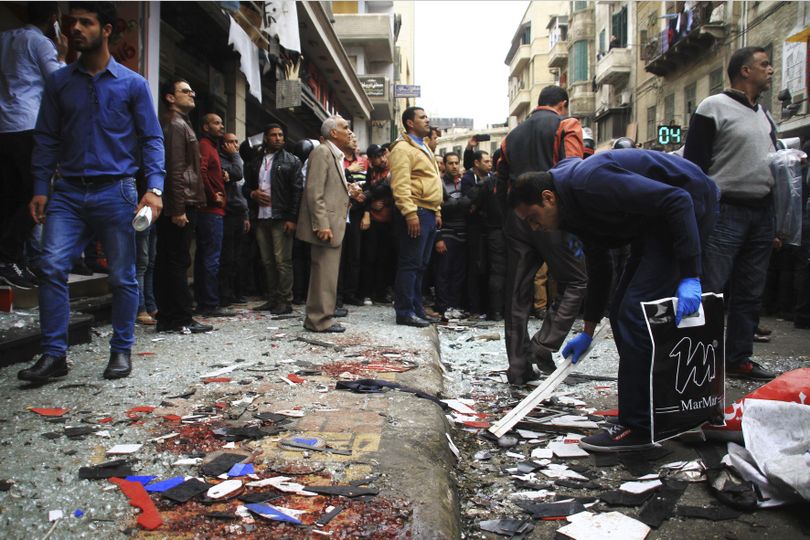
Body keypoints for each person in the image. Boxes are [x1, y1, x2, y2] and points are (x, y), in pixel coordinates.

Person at [509, 149, 718, 451]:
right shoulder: (571, 207)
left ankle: (641, 426)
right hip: (654, 221)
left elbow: (677, 200)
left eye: (533, 218)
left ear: (548, 198)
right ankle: (649, 416)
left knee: (634, 314)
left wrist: (690, 274)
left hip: (689, 204)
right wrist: (588, 331)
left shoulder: (589, 183)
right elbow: (600, 265)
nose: (534, 228)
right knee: (622, 312)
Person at [19, 1, 164, 383]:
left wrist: (154, 188)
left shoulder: (132, 84)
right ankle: (53, 355)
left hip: (116, 191)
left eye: (86, 22)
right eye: (72, 23)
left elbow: (151, 138)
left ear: (108, 29)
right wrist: (40, 187)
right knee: (50, 267)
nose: (76, 29)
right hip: (67, 192)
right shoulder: (59, 82)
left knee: (122, 276)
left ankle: (121, 350)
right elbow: (47, 138)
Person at [684, 46, 777, 380]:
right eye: (764, 64)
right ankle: (698, 360)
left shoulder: (764, 115)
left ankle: (738, 357)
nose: (770, 69)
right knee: (712, 288)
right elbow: (694, 165)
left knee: (751, 291)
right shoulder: (713, 107)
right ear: (744, 71)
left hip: (761, 212)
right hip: (725, 210)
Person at [498, 85, 588, 385]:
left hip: (517, 217)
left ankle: (517, 367)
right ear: (562, 104)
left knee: (517, 293)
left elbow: (500, 177)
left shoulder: (512, 136)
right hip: (551, 212)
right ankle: (544, 344)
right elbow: (573, 170)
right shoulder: (566, 125)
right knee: (575, 279)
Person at [0, 2, 66, 289]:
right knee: (39, 195)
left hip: (4, 125)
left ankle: (14, 260)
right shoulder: (40, 43)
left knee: (10, 195)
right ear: (53, 19)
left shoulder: (4, 38)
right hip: (28, 125)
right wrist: (62, 55)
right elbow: (58, 83)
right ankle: (7, 256)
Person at [153, 78, 210, 335]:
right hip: (181, 201)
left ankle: (169, 316)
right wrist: (177, 209)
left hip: (181, 200)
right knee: (176, 260)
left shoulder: (178, 123)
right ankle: (180, 317)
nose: (192, 94)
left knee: (169, 259)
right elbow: (174, 169)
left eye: (192, 90)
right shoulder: (175, 124)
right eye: (185, 91)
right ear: (170, 97)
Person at [296, 116, 353, 333]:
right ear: (333, 133)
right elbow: (314, 191)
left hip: (333, 224)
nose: (349, 131)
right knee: (323, 274)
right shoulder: (322, 152)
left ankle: (321, 317)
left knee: (327, 274)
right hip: (326, 226)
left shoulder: (333, 154)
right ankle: (319, 320)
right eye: (345, 127)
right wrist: (322, 224)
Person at [389, 106, 443, 328]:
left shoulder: (424, 147)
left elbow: (432, 180)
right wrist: (410, 213)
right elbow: (400, 184)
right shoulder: (402, 148)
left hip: (429, 211)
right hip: (416, 211)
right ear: (410, 123)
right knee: (410, 264)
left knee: (421, 265)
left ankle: (417, 309)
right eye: (422, 117)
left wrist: (437, 210)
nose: (427, 120)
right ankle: (404, 311)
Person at [243, 123, 303, 314]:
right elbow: (245, 187)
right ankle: (272, 298)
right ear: (266, 138)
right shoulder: (255, 161)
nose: (278, 138)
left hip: (281, 217)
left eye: (280, 135)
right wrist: (253, 194)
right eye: (273, 135)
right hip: (261, 217)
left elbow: (297, 192)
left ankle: (285, 301)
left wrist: (292, 218)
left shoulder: (292, 161)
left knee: (282, 261)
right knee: (267, 261)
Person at [195, 113, 229, 317]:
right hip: (210, 211)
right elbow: (201, 170)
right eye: (216, 123)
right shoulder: (205, 146)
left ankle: (205, 301)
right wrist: (212, 194)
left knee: (206, 256)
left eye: (221, 123)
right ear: (205, 127)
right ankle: (209, 303)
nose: (221, 126)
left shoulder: (211, 147)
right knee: (211, 257)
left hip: (211, 211)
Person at [434, 152, 469, 317]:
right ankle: (443, 305)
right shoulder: (438, 184)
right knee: (444, 272)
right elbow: (436, 211)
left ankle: (454, 305)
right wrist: (438, 238)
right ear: (444, 165)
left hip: (463, 233)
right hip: (447, 233)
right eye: (450, 163)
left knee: (458, 273)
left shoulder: (465, 184)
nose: (454, 166)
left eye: (456, 163)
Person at [360, 144, 396, 303]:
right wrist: (371, 205)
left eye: (383, 155)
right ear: (371, 160)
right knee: (370, 257)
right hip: (374, 221)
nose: (382, 159)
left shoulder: (392, 170)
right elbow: (369, 189)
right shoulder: (371, 171)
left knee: (387, 258)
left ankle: (383, 292)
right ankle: (369, 292)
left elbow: (389, 189)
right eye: (377, 157)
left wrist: (368, 196)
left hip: (390, 221)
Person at [461, 150, 494, 318]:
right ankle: (474, 307)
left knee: (489, 268)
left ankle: (486, 307)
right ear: (476, 163)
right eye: (486, 161)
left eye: (490, 161)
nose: (490, 164)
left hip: (488, 228)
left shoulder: (492, 178)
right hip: (473, 230)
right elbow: (469, 202)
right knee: (474, 267)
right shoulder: (468, 178)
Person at [219, 132, 249, 307]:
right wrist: (235, 156)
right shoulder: (226, 160)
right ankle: (225, 294)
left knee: (238, 256)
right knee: (227, 256)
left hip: (239, 212)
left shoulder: (236, 160)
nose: (235, 145)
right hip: (227, 213)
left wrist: (245, 214)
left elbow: (240, 190)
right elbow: (237, 173)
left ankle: (235, 292)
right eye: (230, 142)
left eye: (236, 142)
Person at [338, 134, 368, 306]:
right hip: (340, 211)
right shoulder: (338, 160)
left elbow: (369, 185)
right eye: (351, 138)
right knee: (339, 256)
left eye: (357, 140)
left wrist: (366, 209)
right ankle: (338, 295)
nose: (355, 142)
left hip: (357, 213)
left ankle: (351, 293)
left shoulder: (364, 162)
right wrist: (350, 171)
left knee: (354, 255)